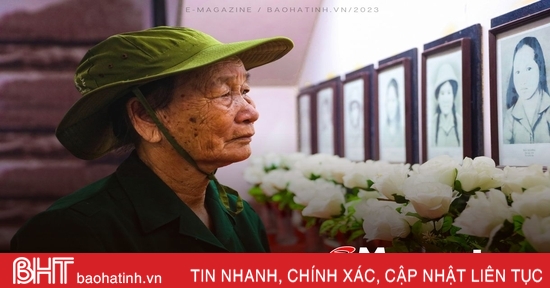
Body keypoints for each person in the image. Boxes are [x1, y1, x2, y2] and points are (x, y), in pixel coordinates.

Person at [10, 26, 294, 252]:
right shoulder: (69, 233)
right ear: (145, 118)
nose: (250, 112)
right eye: (223, 93)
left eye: (244, 89)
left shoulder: (241, 216)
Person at [503, 36, 550, 144]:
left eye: (529, 69)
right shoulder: (510, 116)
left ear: (540, 68)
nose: (522, 80)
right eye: (518, 72)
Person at [432, 63, 462, 147]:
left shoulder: (461, 124)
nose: (445, 99)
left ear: (453, 96)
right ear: (438, 97)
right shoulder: (431, 125)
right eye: (442, 93)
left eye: (449, 93)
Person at [381, 78, 404, 148]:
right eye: (388, 101)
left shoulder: (403, 132)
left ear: (398, 102)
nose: (390, 106)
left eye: (393, 100)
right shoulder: (382, 133)